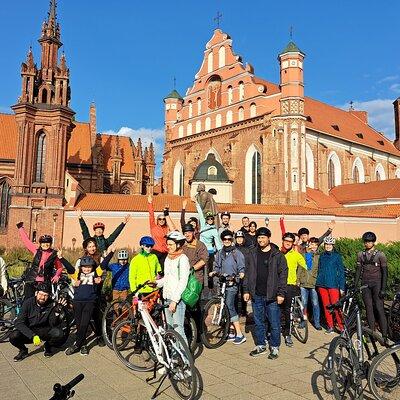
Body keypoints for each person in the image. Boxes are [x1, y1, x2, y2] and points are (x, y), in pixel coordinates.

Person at [243, 227, 288, 359]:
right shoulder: (252, 253)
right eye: (259, 237)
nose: (261, 240)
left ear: (269, 238)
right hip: (256, 294)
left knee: (274, 322)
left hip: (272, 295)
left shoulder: (277, 255)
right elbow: (247, 273)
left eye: (263, 237)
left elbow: (283, 275)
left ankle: (274, 347)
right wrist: (246, 290)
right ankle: (261, 345)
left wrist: (281, 293)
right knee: (258, 322)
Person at [62, 252, 113, 356]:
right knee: (79, 324)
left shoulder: (95, 273)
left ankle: (77, 345)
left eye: (89, 267)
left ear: (92, 267)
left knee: (85, 323)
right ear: (81, 267)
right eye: (84, 267)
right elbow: (69, 268)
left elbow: (103, 265)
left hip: (89, 302)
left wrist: (111, 254)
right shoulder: (77, 274)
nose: (87, 269)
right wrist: (61, 258)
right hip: (77, 302)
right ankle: (83, 344)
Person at [9, 283, 67, 361]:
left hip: (44, 330)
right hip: (30, 330)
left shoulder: (51, 304)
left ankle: (48, 346)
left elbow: (53, 324)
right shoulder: (28, 303)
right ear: (36, 293)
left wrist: (57, 312)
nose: (42, 297)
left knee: (59, 333)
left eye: (45, 295)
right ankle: (23, 350)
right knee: (13, 336)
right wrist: (32, 335)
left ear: (49, 295)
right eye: (41, 294)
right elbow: (19, 322)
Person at [211, 230, 246, 344]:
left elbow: (241, 267)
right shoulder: (220, 253)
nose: (227, 241)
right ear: (222, 240)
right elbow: (217, 265)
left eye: (229, 239)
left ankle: (240, 334)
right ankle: (231, 331)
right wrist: (214, 272)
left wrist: (241, 273)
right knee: (225, 306)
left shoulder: (237, 253)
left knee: (230, 306)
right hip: (222, 283)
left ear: (232, 240)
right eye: (225, 239)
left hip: (232, 284)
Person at [156, 231, 190, 343]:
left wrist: (174, 301)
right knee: (170, 329)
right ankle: (174, 356)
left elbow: (183, 281)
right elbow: (168, 278)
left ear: (178, 245)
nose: (168, 247)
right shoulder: (168, 258)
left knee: (178, 329)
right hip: (166, 297)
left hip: (177, 300)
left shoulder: (183, 259)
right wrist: (156, 283)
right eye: (167, 244)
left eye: (171, 244)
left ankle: (186, 358)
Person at [354, 231, 388, 340]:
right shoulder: (360, 254)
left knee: (379, 308)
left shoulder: (380, 255)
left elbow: (385, 273)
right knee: (368, 308)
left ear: (374, 242)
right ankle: (372, 334)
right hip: (365, 284)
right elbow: (358, 271)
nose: (368, 244)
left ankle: (384, 335)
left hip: (377, 283)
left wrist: (383, 289)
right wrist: (355, 285)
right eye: (366, 242)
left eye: (370, 242)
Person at [16, 222, 63, 299]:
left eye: (47, 243)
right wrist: (21, 228)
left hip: (45, 281)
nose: (45, 245)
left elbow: (60, 267)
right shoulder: (36, 250)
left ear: (50, 244)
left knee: (43, 300)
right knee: (28, 300)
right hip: (32, 280)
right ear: (40, 244)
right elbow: (26, 241)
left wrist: (57, 275)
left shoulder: (54, 254)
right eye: (43, 243)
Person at [280, 232, 307, 347]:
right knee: (274, 310)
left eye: (290, 241)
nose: (288, 243)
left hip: (290, 286)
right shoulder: (277, 253)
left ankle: (287, 334)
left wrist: (300, 280)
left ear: (292, 243)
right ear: (283, 241)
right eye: (286, 240)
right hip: (277, 285)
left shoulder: (296, 255)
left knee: (287, 311)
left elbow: (306, 267)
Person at [182, 223, 209, 338]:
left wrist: (192, 268)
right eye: (185, 232)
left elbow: (204, 259)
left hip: (195, 279)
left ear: (193, 232)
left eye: (189, 232)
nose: (187, 234)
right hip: (183, 279)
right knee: (184, 306)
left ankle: (198, 332)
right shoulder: (182, 244)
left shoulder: (199, 245)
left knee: (194, 306)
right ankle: (188, 330)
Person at [316, 236, 345, 334]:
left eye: (330, 245)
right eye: (326, 244)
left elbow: (341, 272)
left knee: (336, 306)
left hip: (333, 284)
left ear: (333, 245)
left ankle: (341, 327)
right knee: (326, 306)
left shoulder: (337, 256)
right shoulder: (322, 256)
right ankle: (330, 326)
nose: (328, 246)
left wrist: (342, 287)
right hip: (322, 284)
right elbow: (319, 268)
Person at [195, 201, 222, 295]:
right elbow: (200, 213)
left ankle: (210, 288)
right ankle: (200, 287)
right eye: (209, 218)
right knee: (200, 270)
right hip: (200, 251)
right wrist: (197, 203)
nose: (210, 220)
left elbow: (218, 243)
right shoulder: (203, 225)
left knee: (209, 270)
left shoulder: (214, 230)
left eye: (212, 219)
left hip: (210, 251)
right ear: (206, 219)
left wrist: (222, 252)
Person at [297, 237, 322, 330]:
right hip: (303, 283)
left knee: (315, 303)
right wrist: (298, 280)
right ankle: (303, 322)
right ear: (309, 244)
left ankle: (317, 323)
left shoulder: (319, 256)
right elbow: (300, 268)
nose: (314, 246)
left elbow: (320, 270)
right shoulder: (303, 255)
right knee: (303, 304)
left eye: (316, 245)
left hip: (313, 283)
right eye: (312, 244)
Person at [147, 195, 175, 269]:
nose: (162, 220)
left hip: (165, 253)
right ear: (157, 220)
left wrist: (166, 211)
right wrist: (150, 203)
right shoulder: (153, 227)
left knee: (164, 271)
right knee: (154, 270)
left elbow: (172, 227)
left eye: (163, 219)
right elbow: (151, 215)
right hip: (156, 252)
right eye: (160, 219)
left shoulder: (167, 228)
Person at [234, 230, 252, 317]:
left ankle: (244, 311)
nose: (239, 240)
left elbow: (249, 262)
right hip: (235, 274)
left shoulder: (247, 250)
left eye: (241, 238)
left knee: (244, 292)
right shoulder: (233, 249)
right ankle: (236, 311)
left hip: (245, 273)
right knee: (236, 293)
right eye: (238, 238)